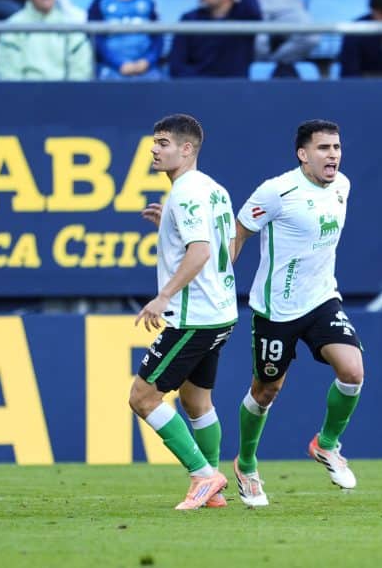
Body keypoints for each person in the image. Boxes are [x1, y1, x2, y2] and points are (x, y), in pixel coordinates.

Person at [231, 119, 364, 507]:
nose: (333, 155)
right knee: (266, 390)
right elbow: (239, 232)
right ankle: (247, 464)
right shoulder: (277, 191)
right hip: (276, 309)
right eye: (323, 148)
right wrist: (220, 280)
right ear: (303, 155)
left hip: (322, 300)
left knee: (353, 370)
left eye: (337, 147)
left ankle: (326, 444)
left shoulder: (343, 186)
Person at [128, 113, 237, 510]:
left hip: (194, 317)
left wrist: (163, 297)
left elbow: (201, 250)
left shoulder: (187, 192)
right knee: (196, 402)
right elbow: (220, 243)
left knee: (142, 398)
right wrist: (168, 224)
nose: (154, 149)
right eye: (154, 142)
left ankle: (204, 475)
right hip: (221, 313)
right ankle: (215, 491)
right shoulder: (212, 189)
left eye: (162, 143)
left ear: (186, 148)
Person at [0, 0, 93, 80]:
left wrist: (69, 94)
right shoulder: (13, 25)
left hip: (65, 94)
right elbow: (8, 74)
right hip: (25, 94)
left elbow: (80, 71)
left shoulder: (70, 25)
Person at [168, 0, 262, 78]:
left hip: (234, 90)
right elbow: (177, 66)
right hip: (197, 90)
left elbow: (254, 12)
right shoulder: (189, 19)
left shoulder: (242, 17)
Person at [88, 0, 163, 80]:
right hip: (111, 68)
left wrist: (147, 61)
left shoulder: (148, 2)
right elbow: (97, 41)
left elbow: (157, 38)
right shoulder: (100, 3)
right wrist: (119, 64)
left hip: (145, 68)